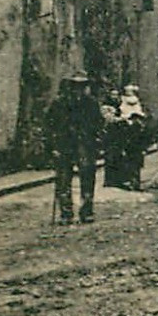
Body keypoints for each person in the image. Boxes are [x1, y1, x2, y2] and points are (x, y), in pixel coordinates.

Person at [47, 74, 103, 224]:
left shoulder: (91, 104)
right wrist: (53, 146)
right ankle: (66, 213)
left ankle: (86, 211)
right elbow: (50, 125)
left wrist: (96, 141)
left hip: (85, 145)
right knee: (63, 180)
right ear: (70, 87)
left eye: (82, 86)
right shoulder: (59, 103)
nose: (79, 89)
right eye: (75, 86)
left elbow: (99, 124)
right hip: (64, 145)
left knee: (87, 177)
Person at [117, 85, 150, 190]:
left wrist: (144, 148)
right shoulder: (126, 126)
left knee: (137, 166)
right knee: (130, 165)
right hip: (130, 148)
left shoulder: (139, 128)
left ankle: (136, 183)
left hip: (137, 149)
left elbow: (143, 138)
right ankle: (131, 182)